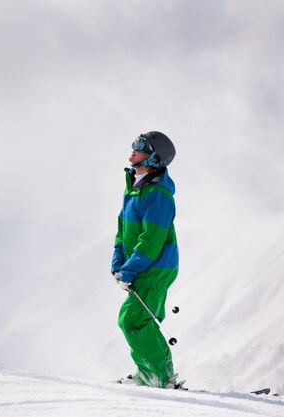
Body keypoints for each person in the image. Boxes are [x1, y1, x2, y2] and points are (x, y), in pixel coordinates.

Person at [112, 131, 179, 388]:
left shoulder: (157, 195)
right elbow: (123, 229)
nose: (133, 148)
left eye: (140, 146)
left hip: (155, 266)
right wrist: (118, 261)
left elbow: (151, 242)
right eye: (134, 142)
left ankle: (157, 378)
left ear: (154, 158)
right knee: (143, 321)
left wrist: (130, 269)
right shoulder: (135, 189)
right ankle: (158, 376)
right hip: (144, 266)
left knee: (133, 321)